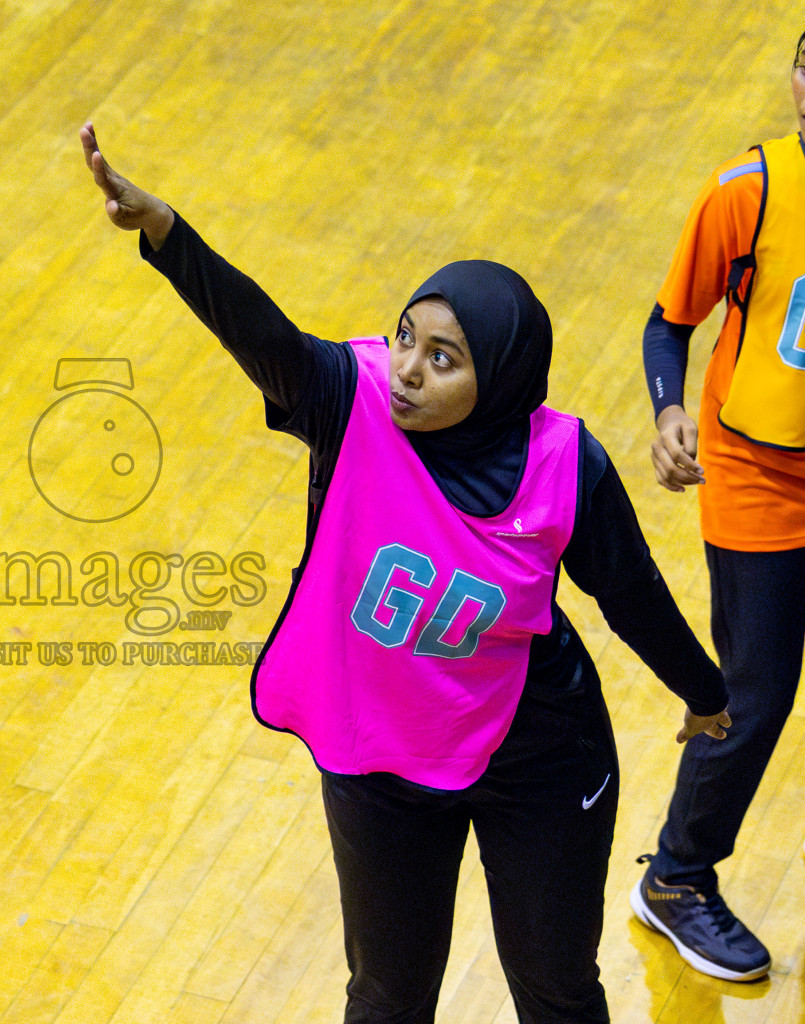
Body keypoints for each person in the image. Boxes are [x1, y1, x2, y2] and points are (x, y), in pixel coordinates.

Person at [79, 123, 730, 1024]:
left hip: (538, 751)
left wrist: (703, 691)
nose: (408, 373)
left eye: (444, 358)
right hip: (380, 750)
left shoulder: (565, 466)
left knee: (557, 992)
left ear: (501, 378)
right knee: (386, 999)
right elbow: (260, 335)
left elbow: (628, 593)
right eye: (407, 338)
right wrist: (166, 236)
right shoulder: (347, 399)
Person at [634, 0, 805, 984]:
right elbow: (669, 320)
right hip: (755, 480)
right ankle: (679, 877)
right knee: (754, 694)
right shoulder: (750, 189)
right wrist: (666, 414)